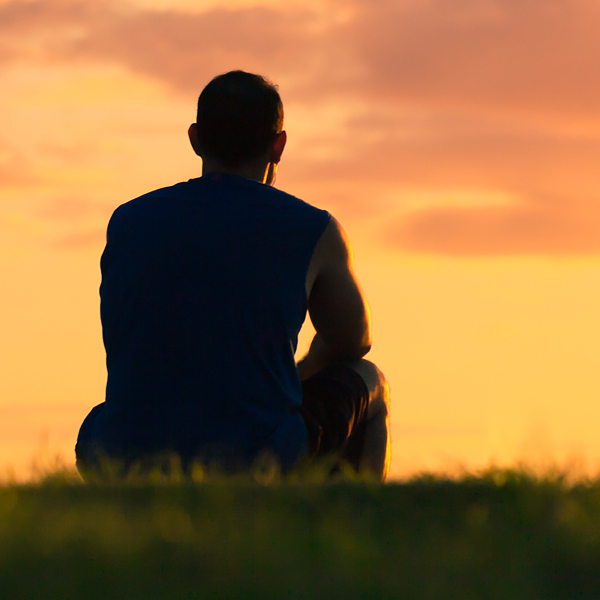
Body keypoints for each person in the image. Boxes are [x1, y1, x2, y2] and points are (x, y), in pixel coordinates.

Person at [75, 70, 390, 481]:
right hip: (255, 458)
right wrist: (301, 371)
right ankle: (353, 532)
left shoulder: (128, 220)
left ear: (194, 139)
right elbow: (354, 342)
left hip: (119, 454)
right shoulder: (312, 229)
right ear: (278, 146)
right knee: (369, 380)